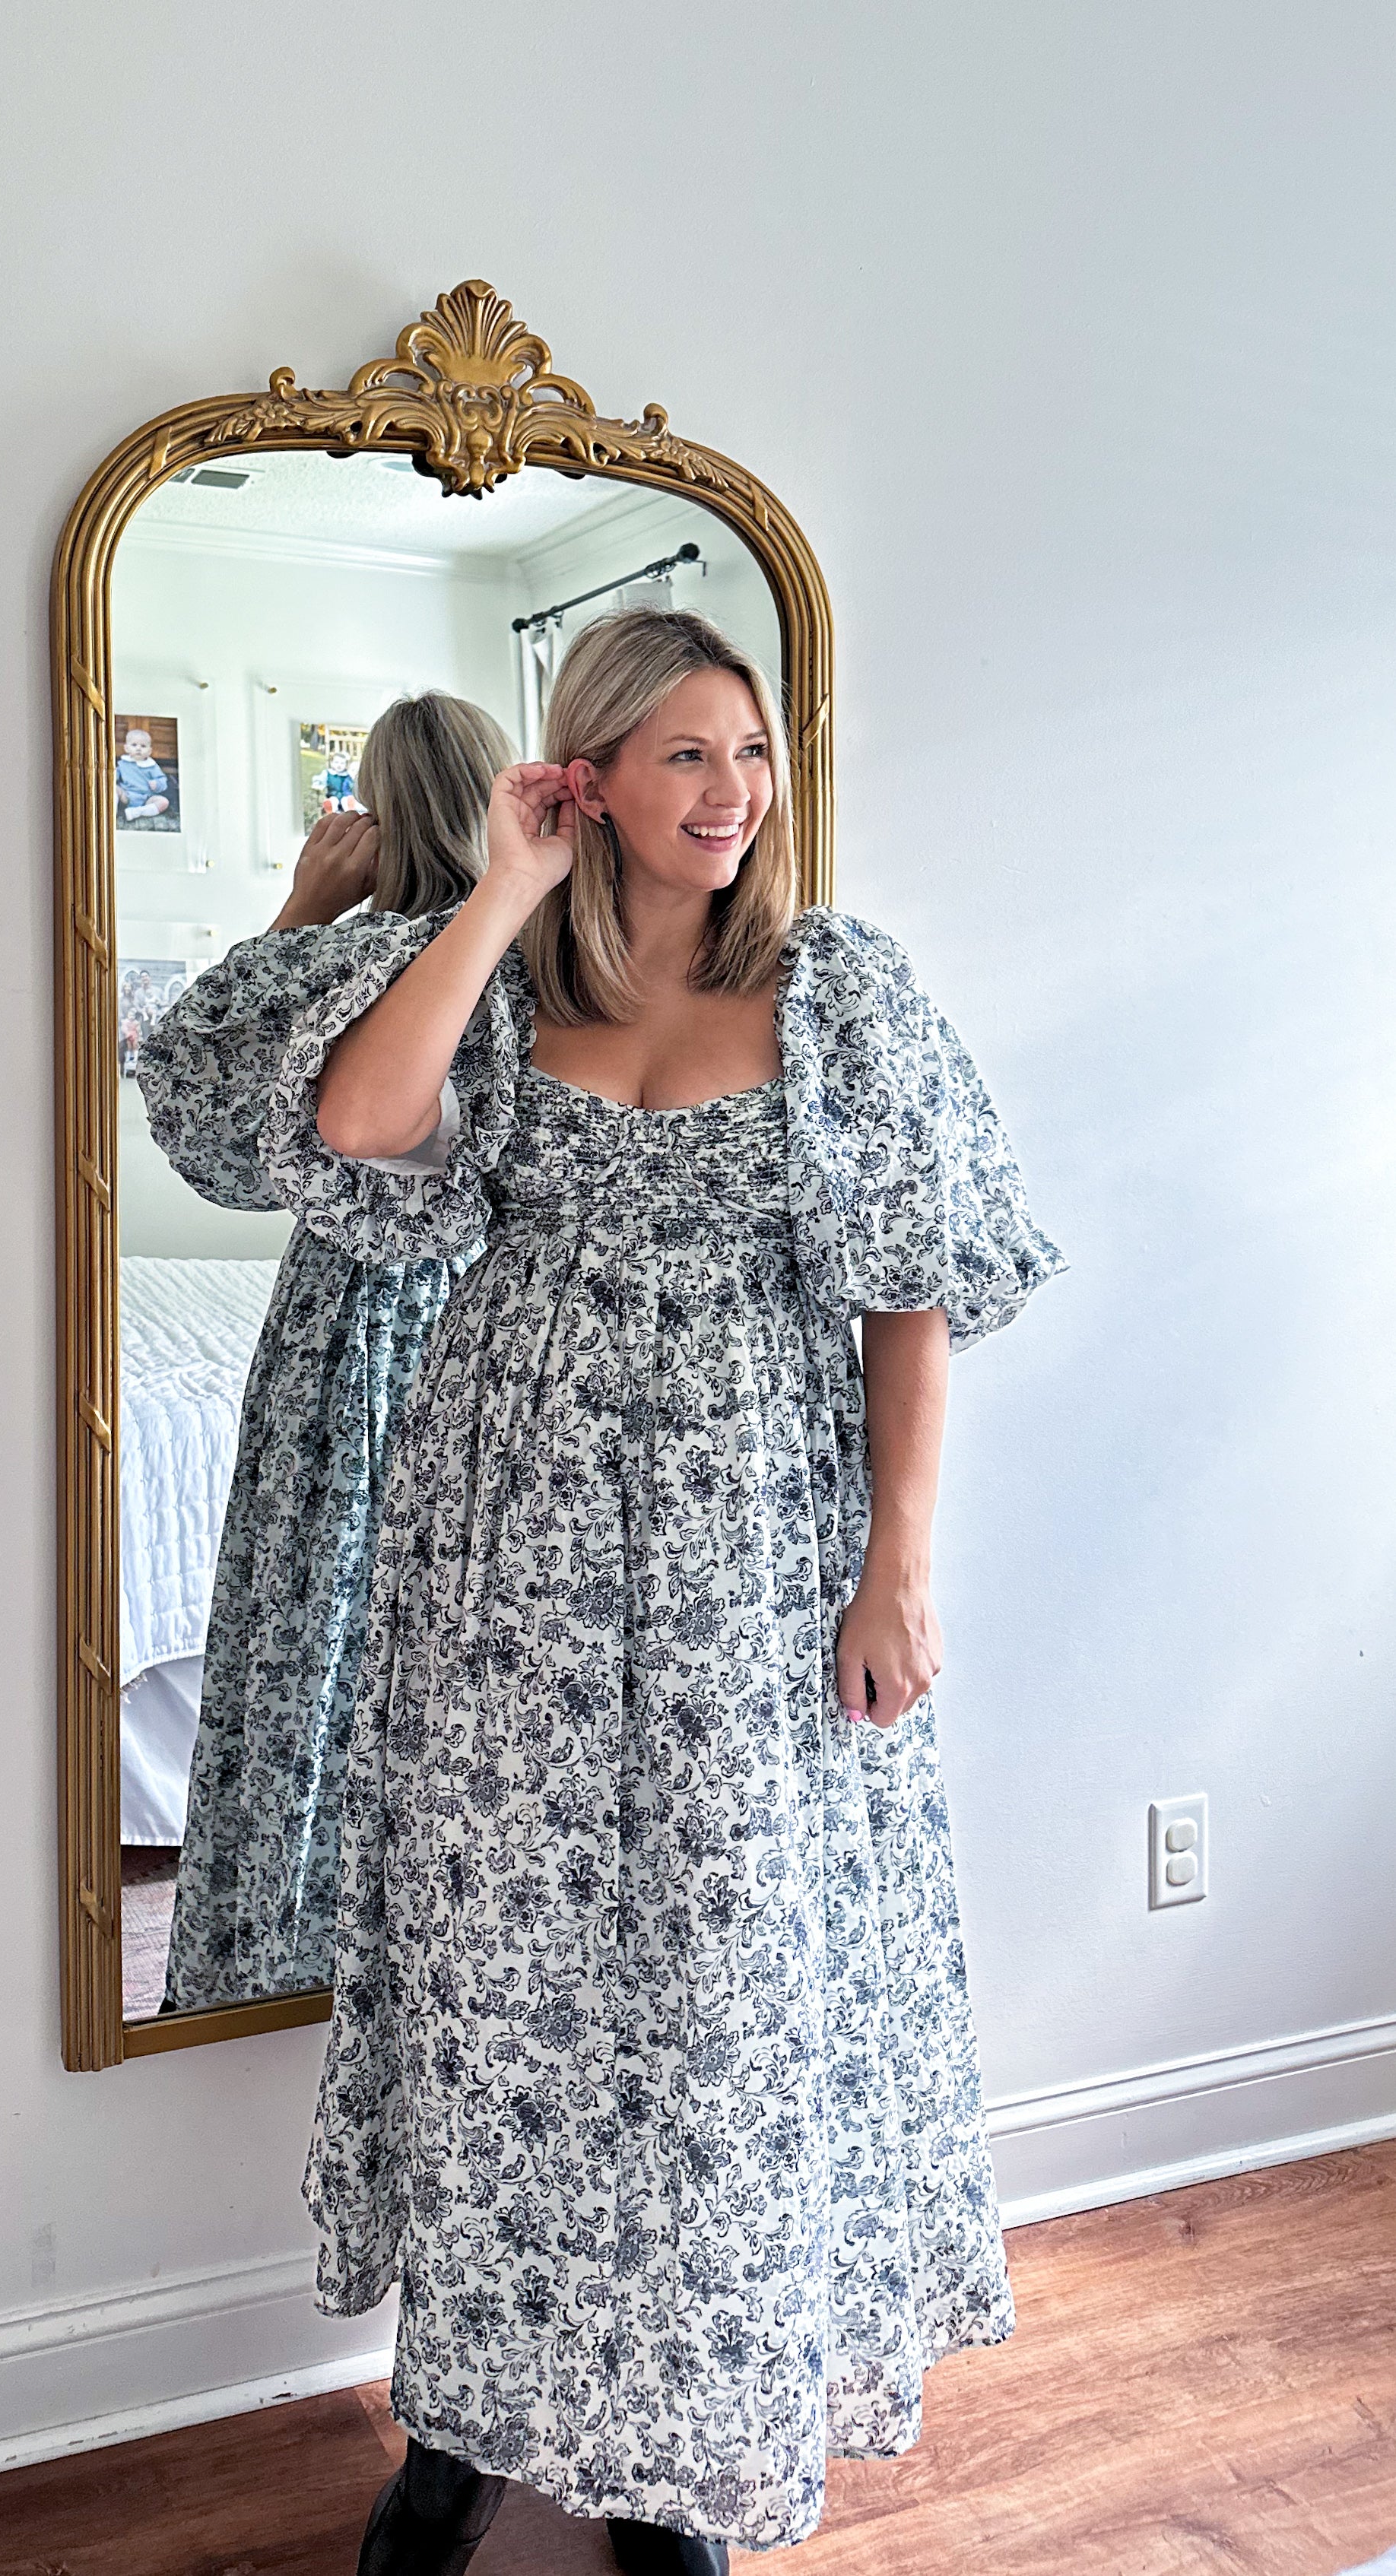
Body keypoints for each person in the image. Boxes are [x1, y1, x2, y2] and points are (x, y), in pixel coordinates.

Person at [256, 609, 1068, 2572]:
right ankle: (461, 2433)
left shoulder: (834, 992)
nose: (732, 793)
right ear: (591, 774)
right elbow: (357, 1127)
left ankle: (674, 2463)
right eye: (686, 754)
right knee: (504, 1998)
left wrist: (896, 1567)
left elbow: (909, 1293)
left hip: (748, 1566)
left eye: (751, 751)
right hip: (501, 1573)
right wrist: (499, 891)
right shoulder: (503, 979)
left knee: (719, 2004)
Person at [138, 690, 518, 2009]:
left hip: (350, 1327)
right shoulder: (541, 960)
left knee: (315, 1635)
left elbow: (196, 1112)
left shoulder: (345, 967)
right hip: (498, 1324)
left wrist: (305, 902)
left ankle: (281, 1962)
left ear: (379, 815)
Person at [116, 727, 172, 825]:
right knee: (114, 788)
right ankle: (112, 812)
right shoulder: (123, 763)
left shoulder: (152, 766)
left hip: (147, 798)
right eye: (134, 745)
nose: (138, 749)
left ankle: (138, 812)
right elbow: (114, 776)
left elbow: (162, 780)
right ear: (127, 748)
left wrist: (157, 784)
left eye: (143, 746)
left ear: (149, 751)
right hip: (127, 795)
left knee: (164, 802)